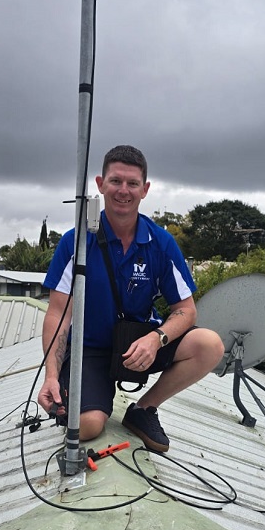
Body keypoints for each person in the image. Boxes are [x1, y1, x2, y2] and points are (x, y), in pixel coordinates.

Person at [38, 144, 224, 452]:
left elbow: (186, 310)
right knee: (85, 427)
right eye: (115, 181)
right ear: (100, 184)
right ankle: (88, 398)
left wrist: (156, 339)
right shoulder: (76, 241)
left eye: (132, 183)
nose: (123, 190)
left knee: (209, 345)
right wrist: (52, 376)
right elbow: (59, 314)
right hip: (90, 350)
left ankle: (143, 410)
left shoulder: (160, 243)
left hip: (137, 345)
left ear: (145, 189)